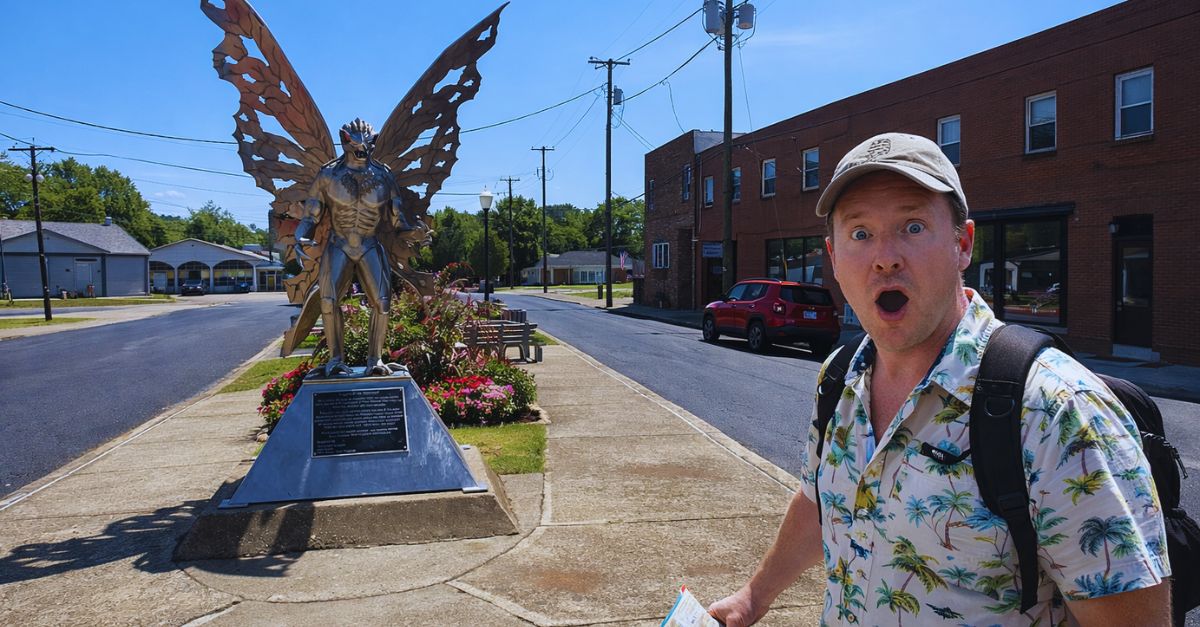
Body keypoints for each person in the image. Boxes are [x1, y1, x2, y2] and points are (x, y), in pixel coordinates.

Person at [708, 133, 1170, 626]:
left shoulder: (1056, 408)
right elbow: (818, 502)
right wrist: (753, 597)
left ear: (963, 243)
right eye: (860, 233)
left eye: (912, 226)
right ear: (834, 258)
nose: (885, 257)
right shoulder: (840, 376)